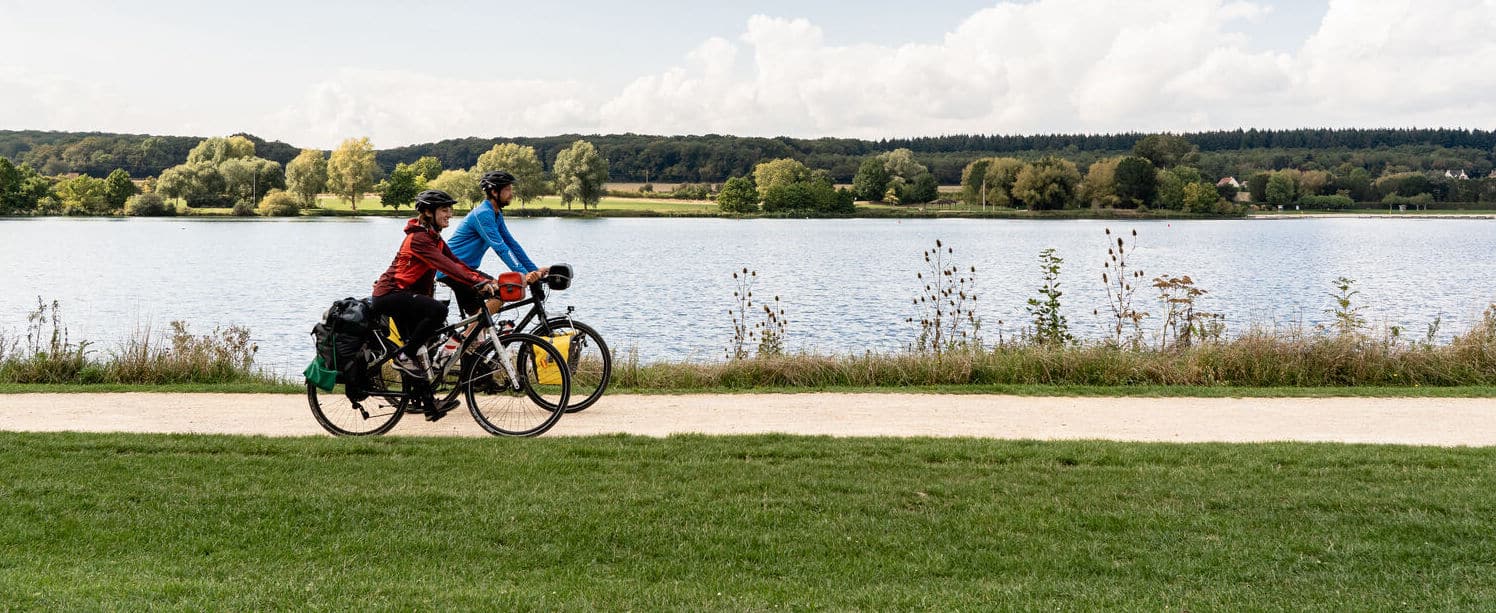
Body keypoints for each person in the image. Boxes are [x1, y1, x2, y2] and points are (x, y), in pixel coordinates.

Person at [371, 189, 496, 383]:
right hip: (390, 294)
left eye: (450, 210)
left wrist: (485, 279)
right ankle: (404, 356)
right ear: (429, 212)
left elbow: (456, 262)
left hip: (404, 295)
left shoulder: (433, 238)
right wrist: (476, 282)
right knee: (438, 311)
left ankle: (425, 400)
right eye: (445, 210)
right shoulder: (419, 239)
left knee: (421, 350)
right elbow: (448, 267)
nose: (450, 215)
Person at [438, 170, 549, 317]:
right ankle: (471, 331)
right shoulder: (483, 214)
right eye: (507, 189)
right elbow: (501, 248)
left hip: (466, 270)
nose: (511, 194)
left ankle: (475, 331)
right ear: (494, 192)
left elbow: (511, 244)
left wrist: (532, 270)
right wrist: (524, 274)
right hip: (453, 270)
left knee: (481, 314)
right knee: (501, 291)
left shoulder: (496, 213)